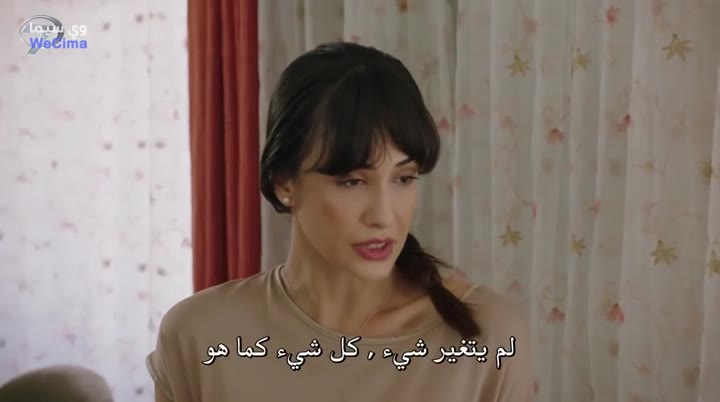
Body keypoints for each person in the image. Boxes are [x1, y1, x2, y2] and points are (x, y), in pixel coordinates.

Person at [146, 41, 535, 402]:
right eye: (352, 181)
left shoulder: (488, 338)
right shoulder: (199, 336)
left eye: (403, 178)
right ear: (285, 184)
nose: (383, 216)